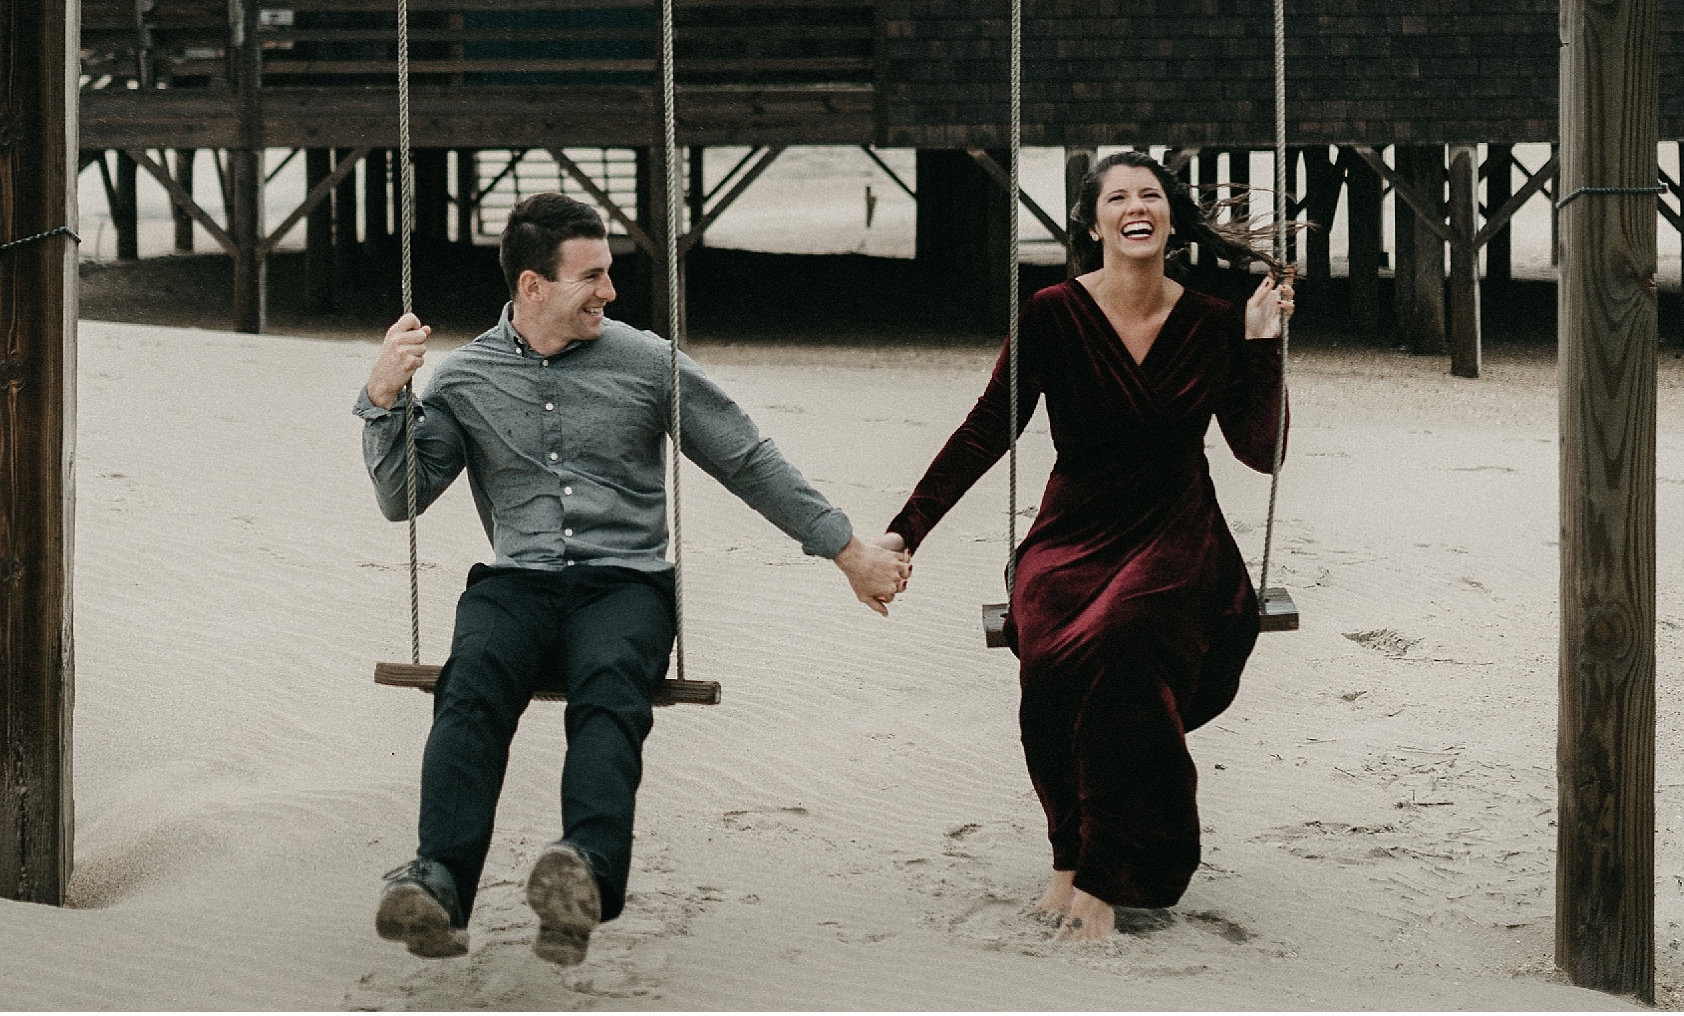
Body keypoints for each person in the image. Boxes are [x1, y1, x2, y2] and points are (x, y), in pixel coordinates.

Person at [360, 191, 912, 965]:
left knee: (611, 686)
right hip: (515, 582)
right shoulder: (462, 378)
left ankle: (583, 872)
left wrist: (848, 550)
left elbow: (747, 460)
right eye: (592, 276)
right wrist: (384, 398)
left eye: (609, 272)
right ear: (532, 287)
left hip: (625, 585)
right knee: (472, 678)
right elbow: (402, 497)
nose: (610, 292)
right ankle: (439, 881)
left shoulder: (648, 362)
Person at [880, 152, 1294, 941]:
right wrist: (907, 530)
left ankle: (1109, 874)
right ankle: (1070, 851)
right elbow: (984, 430)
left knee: (1123, 637)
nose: (1135, 206)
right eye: (1118, 196)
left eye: (1150, 195)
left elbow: (1261, 451)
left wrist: (1263, 346)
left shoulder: (1213, 317)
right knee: (1049, 646)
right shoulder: (1051, 313)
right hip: (1073, 529)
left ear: (1170, 220)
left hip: (1177, 527)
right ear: (1092, 219)